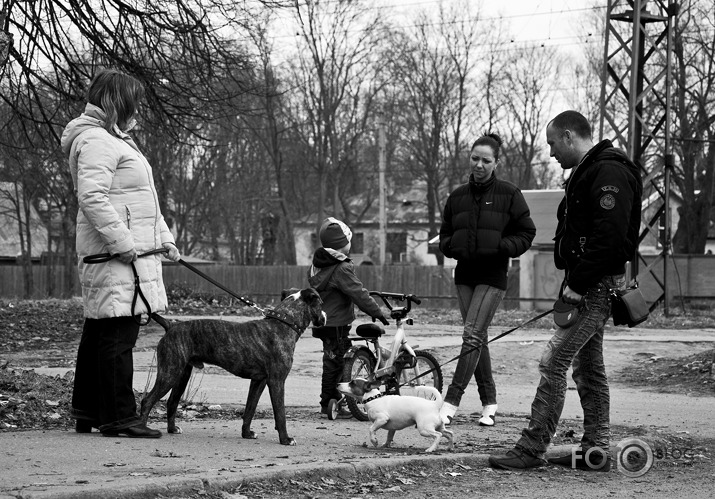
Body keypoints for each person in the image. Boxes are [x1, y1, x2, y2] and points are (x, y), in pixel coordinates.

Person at [488, 110, 643, 471]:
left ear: (570, 136)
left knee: (553, 360)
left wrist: (577, 282)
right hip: (588, 282)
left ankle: (531, 448)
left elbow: (609, 239)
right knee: (588, 368)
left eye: (553, 143)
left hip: (593, 286)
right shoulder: (591, 170)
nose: (551, 152)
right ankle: (596, 451)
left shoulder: (609, 171)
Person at [61, 68, 181, 438]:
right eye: (135, 104)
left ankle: (88, 410)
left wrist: (165, 238)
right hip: (116, 257)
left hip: (125, 254)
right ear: (118, 103)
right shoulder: (98, 141)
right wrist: (124, 243)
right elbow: (93, 198)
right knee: (118, 335)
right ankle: (118, 416)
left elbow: (146, 203)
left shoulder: (115, 140)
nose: (139, 111)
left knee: (100, 331)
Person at [438, 132, 536, 427]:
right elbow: (444, 235)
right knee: (476, 338)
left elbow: (527, 233)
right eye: (475, 158)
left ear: (497, 163)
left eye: (486, 160)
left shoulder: (509, 193)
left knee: (471, 336)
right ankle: (490, 403)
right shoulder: (456, 197)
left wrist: (501, 248)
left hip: (493, 275)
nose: (479, 164)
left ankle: (450, 403)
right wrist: (451, 246)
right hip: (465, 274)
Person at [308, 217, 389, 418]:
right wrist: (376, 312)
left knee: (330, 361)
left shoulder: (317, 265)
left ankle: (328, 401)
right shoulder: (341, 268)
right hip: (337, 323)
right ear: (343, 244)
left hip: (322, 321)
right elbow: (358, 292)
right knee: (338, 365)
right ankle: (330, 403)